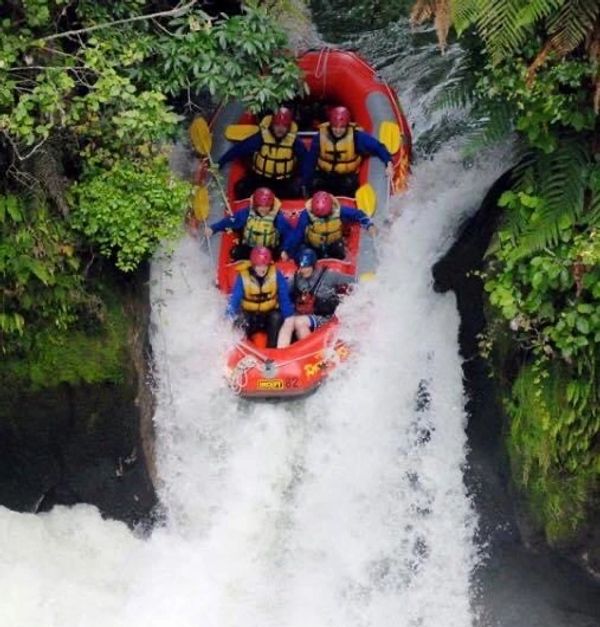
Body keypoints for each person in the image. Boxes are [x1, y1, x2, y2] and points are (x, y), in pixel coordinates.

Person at [218, 106, 307, 199]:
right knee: (241, 188)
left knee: (296, 192)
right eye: (277, 125)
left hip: (283, 182)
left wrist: (302, 180)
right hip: (260, 178)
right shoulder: (260, 138)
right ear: (272, 124)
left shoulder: (295, 143)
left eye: (284, 126)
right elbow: (238, 150)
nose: (280, 129)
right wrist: (219, 163)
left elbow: (306, 161)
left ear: (288, 127)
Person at [303, 106, 394, 197]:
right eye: (335, 127)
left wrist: (388, 163)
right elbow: (310, 161)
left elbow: (378, 147)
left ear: (347, 125)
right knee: (315, 184)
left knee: (350, 185)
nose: (338, 131)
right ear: (330, 125)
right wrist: (306, 183)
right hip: (325, 176)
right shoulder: (319, 138)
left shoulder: (357, 137)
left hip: (346, 178)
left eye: (342, 127)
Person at [277, 248, 354, 348]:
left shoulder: (329, 276)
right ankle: (289, 352)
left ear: (313, 265)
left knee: (298, 322)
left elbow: (352, 281)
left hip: (324, 317)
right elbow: (283, 291)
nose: (303, 270)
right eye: (301, 267)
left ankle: (311, 350)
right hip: (304, 315)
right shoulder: (296, 278)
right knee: (292, 321)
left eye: (306, 267)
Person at [226, 246, 294, 348]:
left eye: (264, 266)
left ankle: (272, 350)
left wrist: (288, 316)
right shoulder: (243, 276)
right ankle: (243, 350)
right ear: (253, 264)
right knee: (241, 319)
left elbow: (284, 296)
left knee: (277, 317)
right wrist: (228, 317)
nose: (261, 269)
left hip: (268, 316)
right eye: (258, 266)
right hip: (250, 316)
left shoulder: (276, 274)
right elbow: (235, 300)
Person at [205, 187, 295, 261]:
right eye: (261, 207)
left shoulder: (278, 218)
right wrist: (213, 228)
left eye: (267, 207)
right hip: (249, 247)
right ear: (256, 205)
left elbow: (289, 234)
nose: (264, 210)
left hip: (269, 250)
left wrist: (285, 250)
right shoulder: (247, 214)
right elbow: (231, 221)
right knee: (235, 253)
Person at [290, 190, 376, 260]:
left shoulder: (338, 210)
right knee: (306, 255)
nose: (323, 218)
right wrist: (289, 251)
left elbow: (357, 214)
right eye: (320, 216)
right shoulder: (306, 215)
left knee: (340, 249)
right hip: (314, 247)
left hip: (334, 245)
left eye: (325, 215)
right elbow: (298, 234)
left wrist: (369, 225)